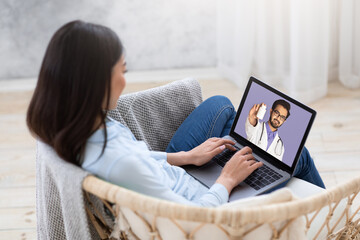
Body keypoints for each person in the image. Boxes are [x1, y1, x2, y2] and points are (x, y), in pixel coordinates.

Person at [27, 20, 324, 207]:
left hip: (178, 173)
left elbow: (139, 160)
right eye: (123, 70)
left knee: (221, 107)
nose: (125, 80)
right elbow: (194, 221)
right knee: (298, 157)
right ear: (95, 80)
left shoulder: (77, 124)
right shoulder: (120, 162)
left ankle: (242, 148)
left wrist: (186, 157)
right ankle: (330, 217)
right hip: (203, 201)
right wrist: (227, 180)